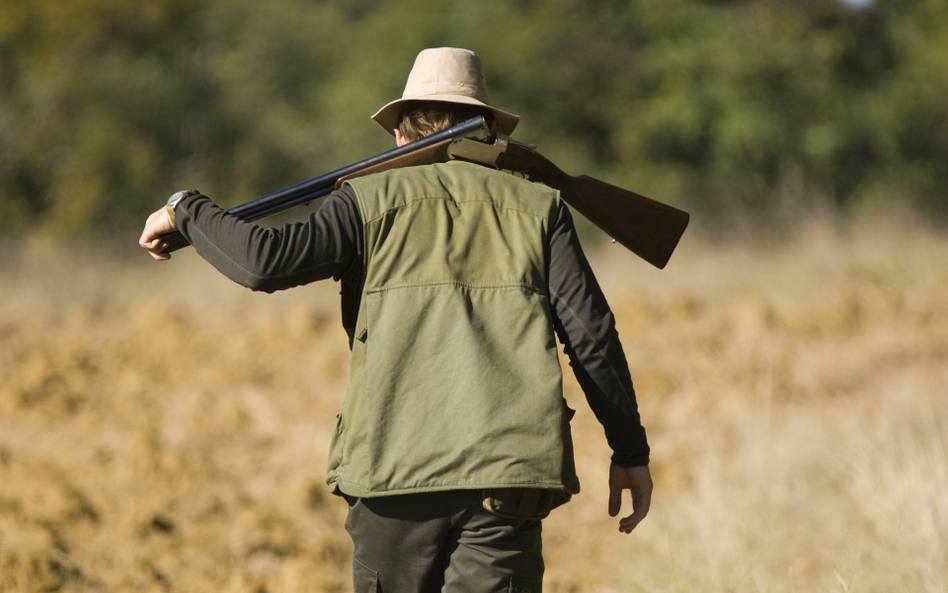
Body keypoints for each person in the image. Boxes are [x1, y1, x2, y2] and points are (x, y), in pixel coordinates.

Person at [140, 47, 652, 593]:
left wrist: (186, 208)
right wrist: (629, 451)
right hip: (508, 479)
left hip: (393, 472)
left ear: (401, 136)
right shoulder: (541, 208)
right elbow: (591, 336)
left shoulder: (365, 199)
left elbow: (264, 263)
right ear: (487, 132)